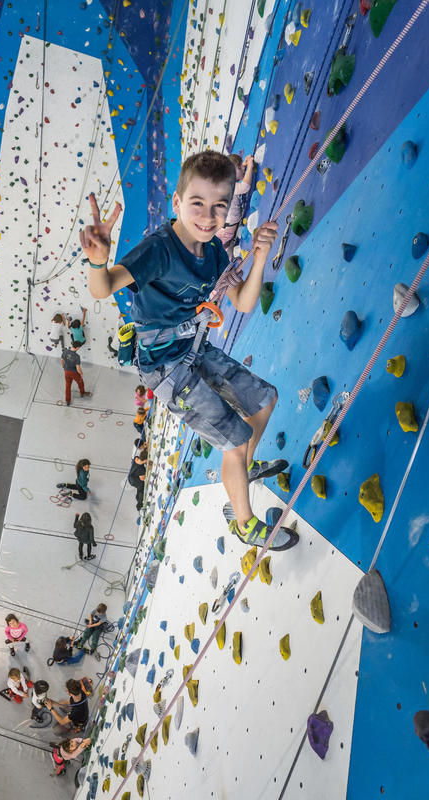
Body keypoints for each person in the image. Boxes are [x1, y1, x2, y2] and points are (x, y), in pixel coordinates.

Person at [81, 151, 295, 551]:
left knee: (264, 401)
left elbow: (245, 302)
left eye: (220, 206)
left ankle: (241, 475)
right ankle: (244, 524)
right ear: (177, 203)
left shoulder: (213, 251)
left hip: (192, 349)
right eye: (197, 203)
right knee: (234, 440)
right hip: (165, 368)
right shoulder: (160, 250)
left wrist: (261, 255)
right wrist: (98, 261)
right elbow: (103, 287)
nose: (208, 216)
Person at [217, 153, 256, 261]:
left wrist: (243, 165)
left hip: (223, 228)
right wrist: (250, 166)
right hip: (226, 231)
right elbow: (245, 187)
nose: (243, 169)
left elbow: (238, 174)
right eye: (240, 167)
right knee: (223, 252)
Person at [128, 445, 148, 512]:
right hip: (133, 480)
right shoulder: (141, 469)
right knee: (141, 486)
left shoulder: (136, 458)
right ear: (145, 460)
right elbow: (142, 478)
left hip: (130, 476)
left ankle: (137, 497)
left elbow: (142, 454)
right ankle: (139, 504)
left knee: (140, 487)